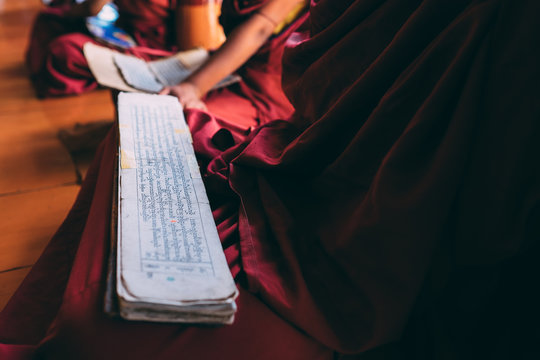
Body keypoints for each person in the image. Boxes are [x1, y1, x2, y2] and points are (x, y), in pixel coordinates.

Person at [2, 0, 539, 359]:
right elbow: (317, 83)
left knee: (93, 329)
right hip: (297, 137)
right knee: (121, 120)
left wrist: (194, 85)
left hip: (285, 128)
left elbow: (268, 43)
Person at [26, 0, 178, 98]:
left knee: (63, 50)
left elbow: (92, 8)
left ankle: (109, 77)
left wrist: (70, 12)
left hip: (150, 50)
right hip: (121, 30)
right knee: (49, 18)